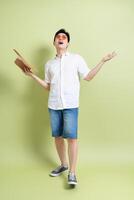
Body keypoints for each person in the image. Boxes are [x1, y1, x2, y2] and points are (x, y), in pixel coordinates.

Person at [20, 29, 116, 186]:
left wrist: (103, 61)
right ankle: (63, 165)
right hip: (54, 105)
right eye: (58, 37)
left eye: (64, 37)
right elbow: (47, 87)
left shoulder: (76, 59)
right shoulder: (49, 64)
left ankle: (72, 172)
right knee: (57, 137)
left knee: (72, 139)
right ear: (54, 42)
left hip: (71, 105)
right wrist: (32, 76)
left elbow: (89, 77)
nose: (61, 38)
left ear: (67, 43)